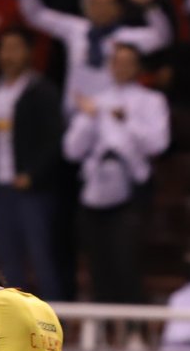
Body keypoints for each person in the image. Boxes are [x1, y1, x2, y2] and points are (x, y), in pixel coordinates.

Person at [62, 44, 169, 303]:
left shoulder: (151, 100)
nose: (120, 67)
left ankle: (135, 332)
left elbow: (159, 143)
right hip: (94, 190)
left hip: (132, 190)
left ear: (138, 66)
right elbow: (71, 151)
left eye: (127, 61)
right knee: (97, 264)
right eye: (116, 61)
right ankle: (101, 331)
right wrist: (89, 118)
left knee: (127, 261)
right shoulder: (96, 101)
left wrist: (127, 122)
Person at [0, 28, 64, 300]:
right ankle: (15, 325)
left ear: (29, 52)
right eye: (4, 49)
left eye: (15, 48)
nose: (8, 55)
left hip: (31, 189)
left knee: (41, 258)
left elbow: (54, 140)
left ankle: (53, 324)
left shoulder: (42, 90)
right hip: (0, 187)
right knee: (6, 260)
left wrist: (33, 174)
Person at [15, 0, 171, 112]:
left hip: (109, 116)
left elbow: (162, 37)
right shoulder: (75, 29)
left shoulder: (126, 36)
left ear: (118, 8)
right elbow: (35, 15)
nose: (99, 8)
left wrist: (149, 7)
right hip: (74, 112)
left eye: (105, 3)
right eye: (95, 2)